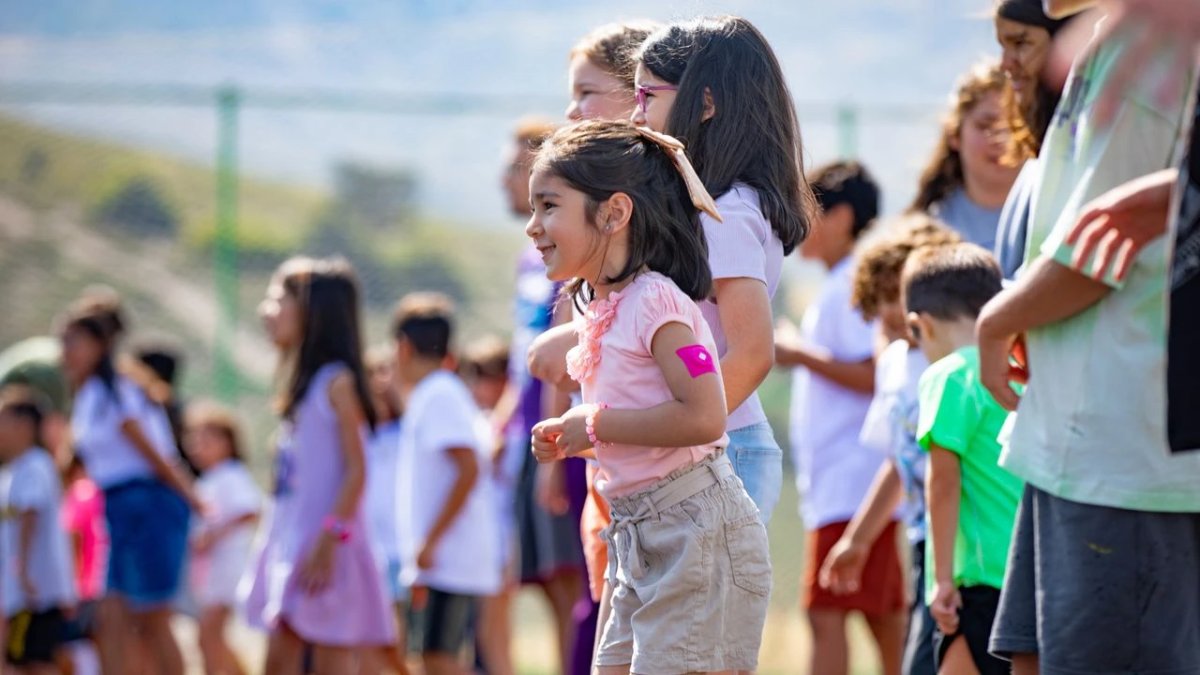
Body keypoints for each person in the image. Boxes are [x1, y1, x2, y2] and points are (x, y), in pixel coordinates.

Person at [975, 2, 1200, 671]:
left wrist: (1001, 318)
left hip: (1124, 457)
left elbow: (1100, 249)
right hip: (1076, 443)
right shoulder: (1116, 33)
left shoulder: (1152, 40)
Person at [528, 119, 771, 675]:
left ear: (613, 212)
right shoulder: (602, 307)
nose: (532, 227)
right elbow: (633, 424)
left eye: (548, 207)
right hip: (638, 536)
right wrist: (576, 439)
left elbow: (705, 417)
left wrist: (593, 424)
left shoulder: (657, 302)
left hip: (696, 536)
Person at [630, 15, 814, 525]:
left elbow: (753, 352)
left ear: (705, 103)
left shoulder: (725, 213)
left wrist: (684, 434)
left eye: (648, 96)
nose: (635, 115)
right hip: (712, 446)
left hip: (721, 453)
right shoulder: (717, 207)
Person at [776, 160, 906, 675]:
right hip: (844, 482)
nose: (797, 223)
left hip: (854, 481)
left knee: (827, 611)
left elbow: (875, 372)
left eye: (807, 211)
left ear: (842, 216)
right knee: (879, 612)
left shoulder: (852, 284)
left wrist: (799, 353)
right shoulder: (841, 282)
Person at [820, 215, 963, 675]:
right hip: (925, 543)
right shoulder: (895, 366)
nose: (891, 310)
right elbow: (900, 461)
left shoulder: (958, 363)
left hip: (974, 545)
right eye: (881, 298)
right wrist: (857, 540)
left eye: (898, 295)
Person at [242, 256, 396, 674]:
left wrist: (330, 539)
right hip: (296, 541)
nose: (266, 310)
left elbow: (357, 469)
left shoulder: (336, 383)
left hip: (327, 546)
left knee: (328, 658)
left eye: (278, 298)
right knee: (282, 657)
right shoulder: (305, 386)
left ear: (313, 313)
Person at [60, 290, 196, 675]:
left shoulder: (118, 388)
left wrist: (191, 496)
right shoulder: (88, 395)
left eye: (73, 341)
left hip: (148, 503)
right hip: (117, 506)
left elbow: (153, 453)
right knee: (111, 614)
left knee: (153, 616)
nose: (65, 351)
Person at [901, 244, 1022, 675]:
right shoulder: (1019, 367)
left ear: (921, 326)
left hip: (976, 579)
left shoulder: (948, 375)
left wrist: (943, 578)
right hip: (1029, 570)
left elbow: (943, 480)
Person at [492, 118, 585, 675]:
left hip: (564, 435)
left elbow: (566, 361)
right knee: (548, 578)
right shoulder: (529, 259)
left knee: (575, 578)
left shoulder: (567, 259)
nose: (504, 181)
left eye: (512, 168)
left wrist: (553, 445)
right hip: (528, 435)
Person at [392, 292, 502, 675]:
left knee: (439, 660)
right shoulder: (436, 393)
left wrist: (430, 540)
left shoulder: (438, 394)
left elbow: (468, 469)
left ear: (403, 348)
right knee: (429, 658)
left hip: (449, 557)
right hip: (442, 558)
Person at [991, 0, 1083, 276]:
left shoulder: (1085, 152)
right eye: (1002, 46)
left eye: (1020, 43)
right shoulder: (1038, 162)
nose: (1005, 64)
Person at [0, 387, 76, 675]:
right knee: (23, 659)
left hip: (35, 589)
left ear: (24, 425)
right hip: (21, 589)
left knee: (36, 660)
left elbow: (30, 518)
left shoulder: (34, 465)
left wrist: (22, 571)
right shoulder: (11, 471)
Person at [182, 402, 262, 675]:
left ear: (228, 442)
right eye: (194, 438)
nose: (198, 445)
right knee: (210, 638)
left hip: (228, 570)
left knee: (207, 636)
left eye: (207, 438)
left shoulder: (231, 474)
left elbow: (250, 511)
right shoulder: (209, 479)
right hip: (210, 574)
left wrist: (214, 536)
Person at [910, 60, 1020, 250]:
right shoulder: (928, 233)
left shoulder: (1057, 221)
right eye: (986, 126)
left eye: (1014, 127)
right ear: (955, 134)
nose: (1001, 140)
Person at [361, 345, 409, 675]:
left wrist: (393, 389)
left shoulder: (406, 431)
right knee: (368, 643)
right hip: (368, 552)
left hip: (400, 552)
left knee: (396, 644)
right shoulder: (361, 436)